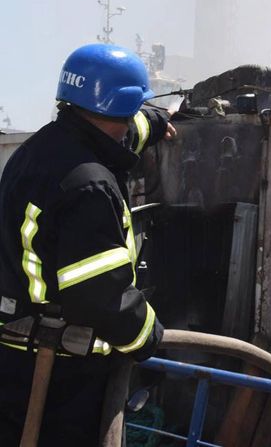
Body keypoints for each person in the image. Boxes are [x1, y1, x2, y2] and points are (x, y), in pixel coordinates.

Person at [0, 43, 175, 445]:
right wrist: (149, 336)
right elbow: (99, 297)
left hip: (14, 362)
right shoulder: (91, 185)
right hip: (62, 380)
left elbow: (118, 132)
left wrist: (154, 120)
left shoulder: (38, 150)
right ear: (126, 104)